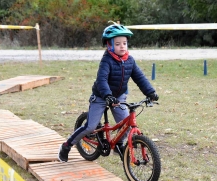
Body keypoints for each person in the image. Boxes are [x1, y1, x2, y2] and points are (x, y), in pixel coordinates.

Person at [58, 23, 159, 162]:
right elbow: (102, 80)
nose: (122, 46)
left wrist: (151, 92)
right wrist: (107, 95)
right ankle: (67, 145)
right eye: (118, 44)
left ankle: (118, 144)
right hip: (101, 96)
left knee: (125, 125)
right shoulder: (107, 60)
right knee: (91, 126)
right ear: (109, 45)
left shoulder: (130, 60)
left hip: (118, 97)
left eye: (124, 43)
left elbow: (140, 77)